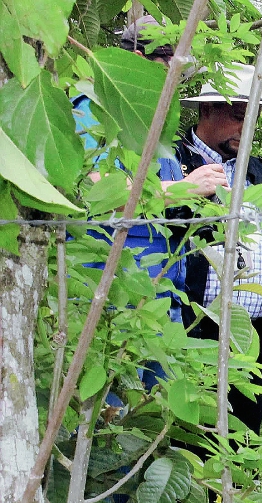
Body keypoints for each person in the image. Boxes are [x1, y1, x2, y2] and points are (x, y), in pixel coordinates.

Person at [175, 63, 262, 433]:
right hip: (189, 331)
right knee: (187, 442)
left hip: (250, 338)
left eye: (252, 118)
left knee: (240, 442)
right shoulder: (171, 164)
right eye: (236, 116)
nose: (244, 128)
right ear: (205, 110)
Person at [73, 16, 190, 327]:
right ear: (139, 60)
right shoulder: (92, 108)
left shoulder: (155, 121)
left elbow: (162, 200)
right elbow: (96, 192)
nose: (172, 85)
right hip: (110, 301)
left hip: (160, 300)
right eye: (168, 71)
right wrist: (187, 188)